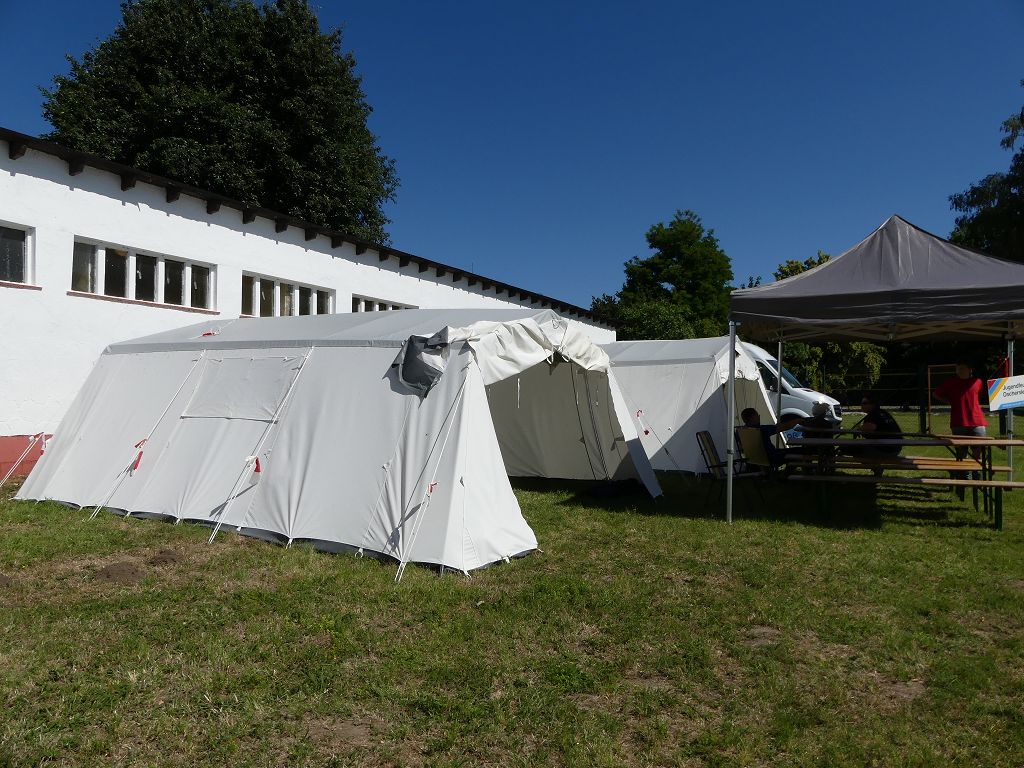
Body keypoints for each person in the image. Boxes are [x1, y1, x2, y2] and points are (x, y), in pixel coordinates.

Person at [933, 360, 987, 497]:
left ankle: (977, 473)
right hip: (958, 421)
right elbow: (936, 393)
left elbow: (980, 395)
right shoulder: (951, 383)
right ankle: (964, 474)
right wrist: (949, 401)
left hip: (977, 420)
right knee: (961, 452)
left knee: (979, 449)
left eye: (962, 368)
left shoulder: (978, 382)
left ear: (970, 369)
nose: (959, 371)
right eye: (957, 369)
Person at [849, 392, 903, 459]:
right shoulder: (883, 412)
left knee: (853, 450)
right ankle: (874, 465)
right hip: (896, 450)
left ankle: (873, 465)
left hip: (886, 451)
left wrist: (858, 429)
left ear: (873, 404)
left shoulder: (873, 415)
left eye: (864, 403)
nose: (861, 405)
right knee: (857, 449)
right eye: (861, 403)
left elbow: (870, 427)